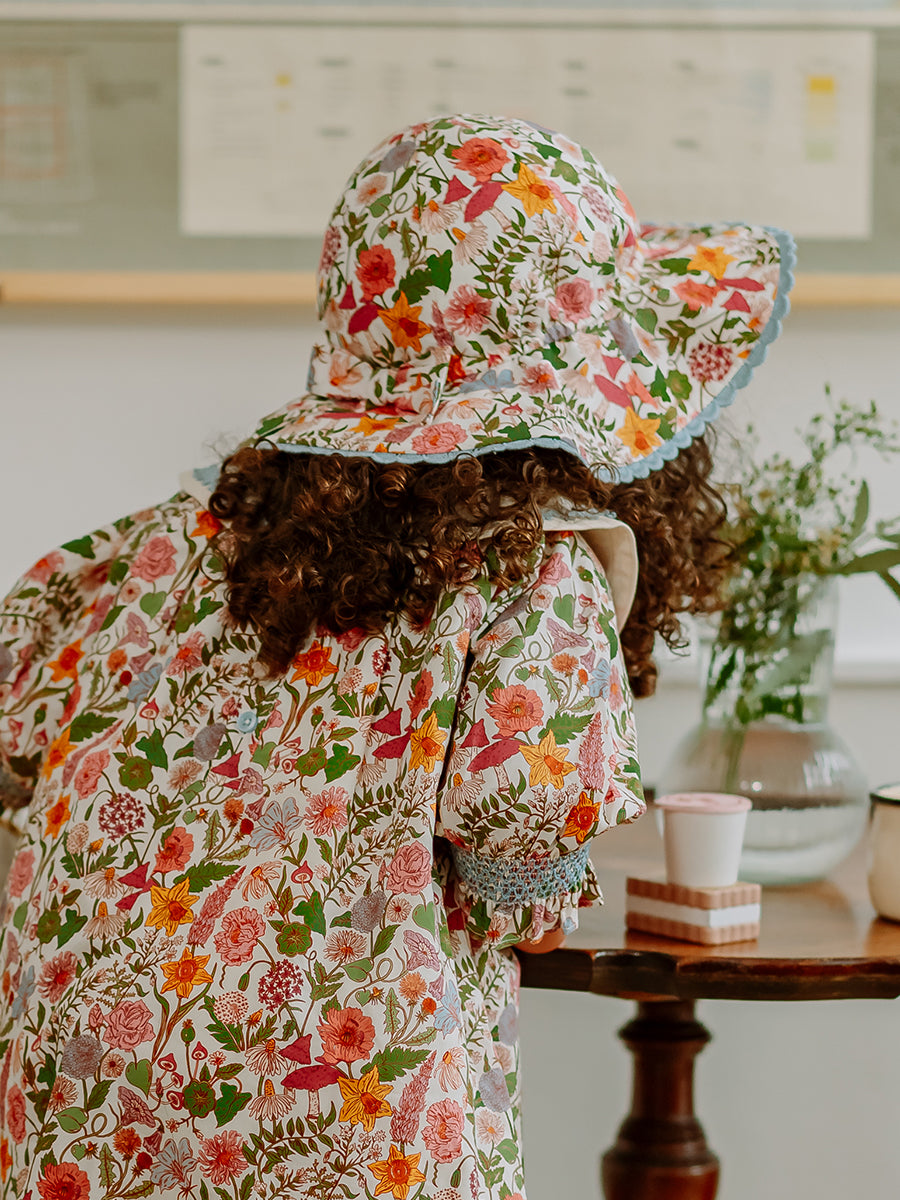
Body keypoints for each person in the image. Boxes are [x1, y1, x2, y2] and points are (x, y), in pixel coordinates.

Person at [0, 114, 793, 1200]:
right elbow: (525, 870)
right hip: (343, 1087)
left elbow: (20, 726)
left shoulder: (157, 549)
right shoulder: (529, 574)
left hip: (81, 1064)